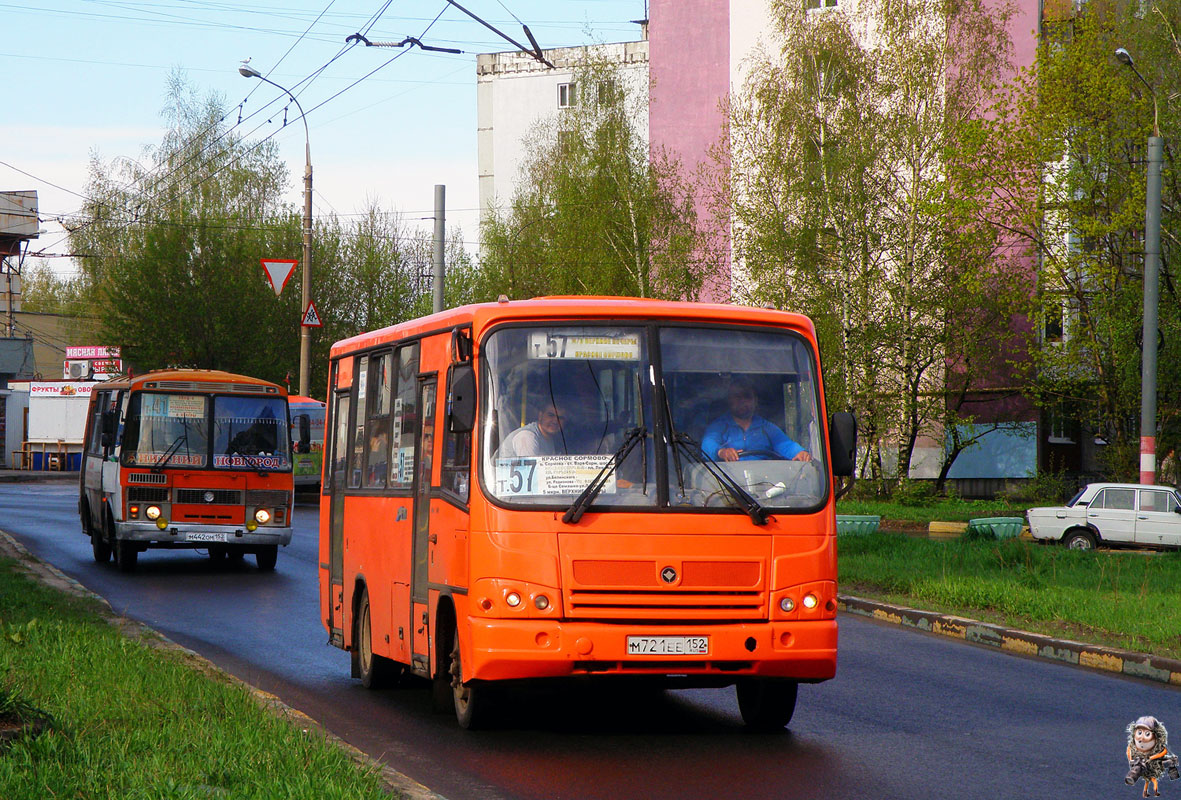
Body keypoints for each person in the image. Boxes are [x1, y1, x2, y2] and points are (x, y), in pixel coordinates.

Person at [701, 377, 811, 462]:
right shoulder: (719, 426)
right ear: (729, 400)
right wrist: (721, 452)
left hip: (765, 484)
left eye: (747, 396)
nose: (742, 401)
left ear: (755, 400)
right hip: (729, 484)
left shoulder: (767, 427)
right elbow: (708, 444)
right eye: (737, 397)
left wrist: (800, 452)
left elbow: (785, 444)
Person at [497, 401, 567, 458]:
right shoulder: (527, 436)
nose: (555, 421)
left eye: (560, 418)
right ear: (540, 415)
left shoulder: (549, 439)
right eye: (551, 415)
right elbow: (529, 472)